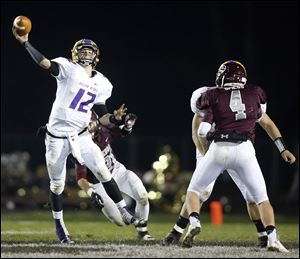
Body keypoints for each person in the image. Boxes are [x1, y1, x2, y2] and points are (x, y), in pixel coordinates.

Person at [12, 28, 145, 244]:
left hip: (81, 135)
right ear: (75, 54)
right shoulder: (67, 68)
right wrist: (26, 43)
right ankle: (60, 227)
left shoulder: (102, 82)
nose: (86, 54)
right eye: (82, 51)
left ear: (97, 57)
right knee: (57, 185)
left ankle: (123, 210)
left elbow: (102, 117)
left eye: (90, 51)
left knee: (102, 170)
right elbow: (44, 63)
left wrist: (116, 118)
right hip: (56, 137)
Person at [182, 60, 296, 252]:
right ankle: (273, 238)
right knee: (262, 199)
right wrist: (283, 149)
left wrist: (209, 136)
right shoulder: (254, 95)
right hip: (244, 150)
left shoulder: (211, 95)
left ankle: (194, 222)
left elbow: (201, 131)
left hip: (218, 149)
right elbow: (267, 124)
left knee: (194, 191)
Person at [162, 86, 268, 248]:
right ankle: (176, 231)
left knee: (251, 195)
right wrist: (206, 156)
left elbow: (261, 123)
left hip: (235, 147)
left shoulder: (245, 99)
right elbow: (196, 134)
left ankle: (263, 235)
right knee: (200, 191)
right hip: (210, 148)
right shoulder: (207, 98)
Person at [71, 109, 154, 241]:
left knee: (143, 196)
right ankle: (130, 219)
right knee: (121, 221)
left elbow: (121, 132)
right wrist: (90, 192)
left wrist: (128, 125)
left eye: (91, 122)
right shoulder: (80, 146)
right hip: (100, 184)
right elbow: (80, 178)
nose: (89, 126)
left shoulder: (103, 130)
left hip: (118, 171)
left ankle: (142, 232)